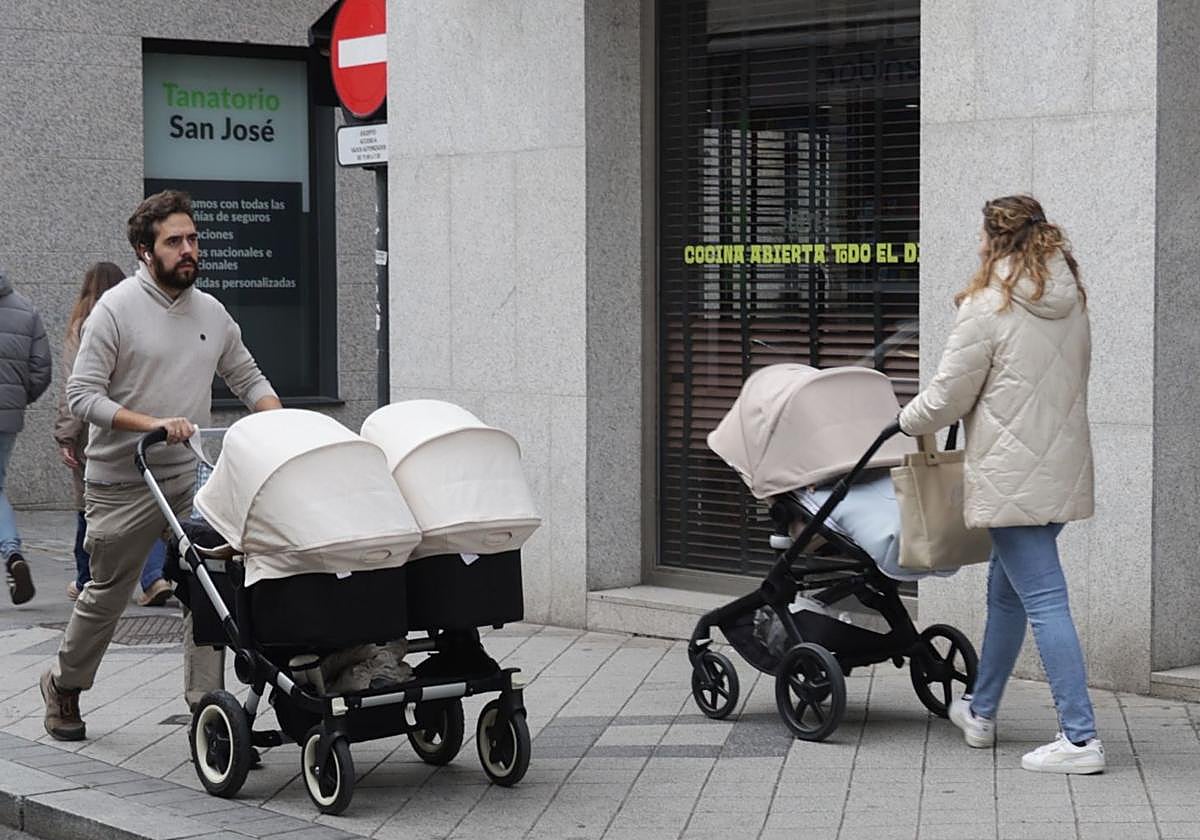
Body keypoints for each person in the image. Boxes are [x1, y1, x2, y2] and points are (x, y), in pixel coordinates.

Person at [41, 190, 282, 741]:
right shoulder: (116, 309)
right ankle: (65, 685)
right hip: (120, 482)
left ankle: (209, 709)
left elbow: (249, 380)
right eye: (174, 241)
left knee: (210, 587)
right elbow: (83, 396)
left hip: (186, 480)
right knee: (106, 593)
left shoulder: (212, 313)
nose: (188, 249)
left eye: (193, 239)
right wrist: (148, 422)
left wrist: (280, 423)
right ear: (145, 251)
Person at [898, 194, 1101, 775]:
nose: (977, 245)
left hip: (1013, 474)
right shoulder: (1071, 301)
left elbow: (948, 396)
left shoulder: (989, 305)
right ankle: (981, 710)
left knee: (1044, 600)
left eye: (981, 235)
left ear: (996, 239)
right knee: (1007, 593)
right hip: (1058, 467)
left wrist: (906, 420)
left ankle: (1080, 739)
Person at [54, 262, 174, 606]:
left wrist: (66, 436)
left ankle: (88, 578)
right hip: (140, 422)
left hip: (99, 430)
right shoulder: (140, 319)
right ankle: (153, 579)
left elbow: (74, 388)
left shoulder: (84, 326)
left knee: (91, 506)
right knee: (147, 499)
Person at [0, 267, 52, 605]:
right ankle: (12, 556)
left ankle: (11, 552)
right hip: (8, 415)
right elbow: (41, 370)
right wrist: (17, 398)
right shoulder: (26, 309)